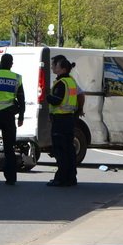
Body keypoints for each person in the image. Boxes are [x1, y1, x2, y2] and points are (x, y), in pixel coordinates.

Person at [0, 53, 25, 185]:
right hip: (9, 117)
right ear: (11, 64)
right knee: (9, 148)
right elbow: (22, 99)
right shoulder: (17, 78)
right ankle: (11, 178)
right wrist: (21, 117)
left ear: (1, 63)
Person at [47, 54, 83, 187]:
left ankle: (61, 178)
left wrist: (47, 97)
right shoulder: (71, 81)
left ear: (62, 68)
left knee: (60, 150)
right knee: (69, 150)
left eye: (54, 65)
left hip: (60, 120)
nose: (52, 67)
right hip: (69, 119)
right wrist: (79, 110)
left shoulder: (61, 83)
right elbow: (80, 95)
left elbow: (56, 101)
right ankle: (71, 177)